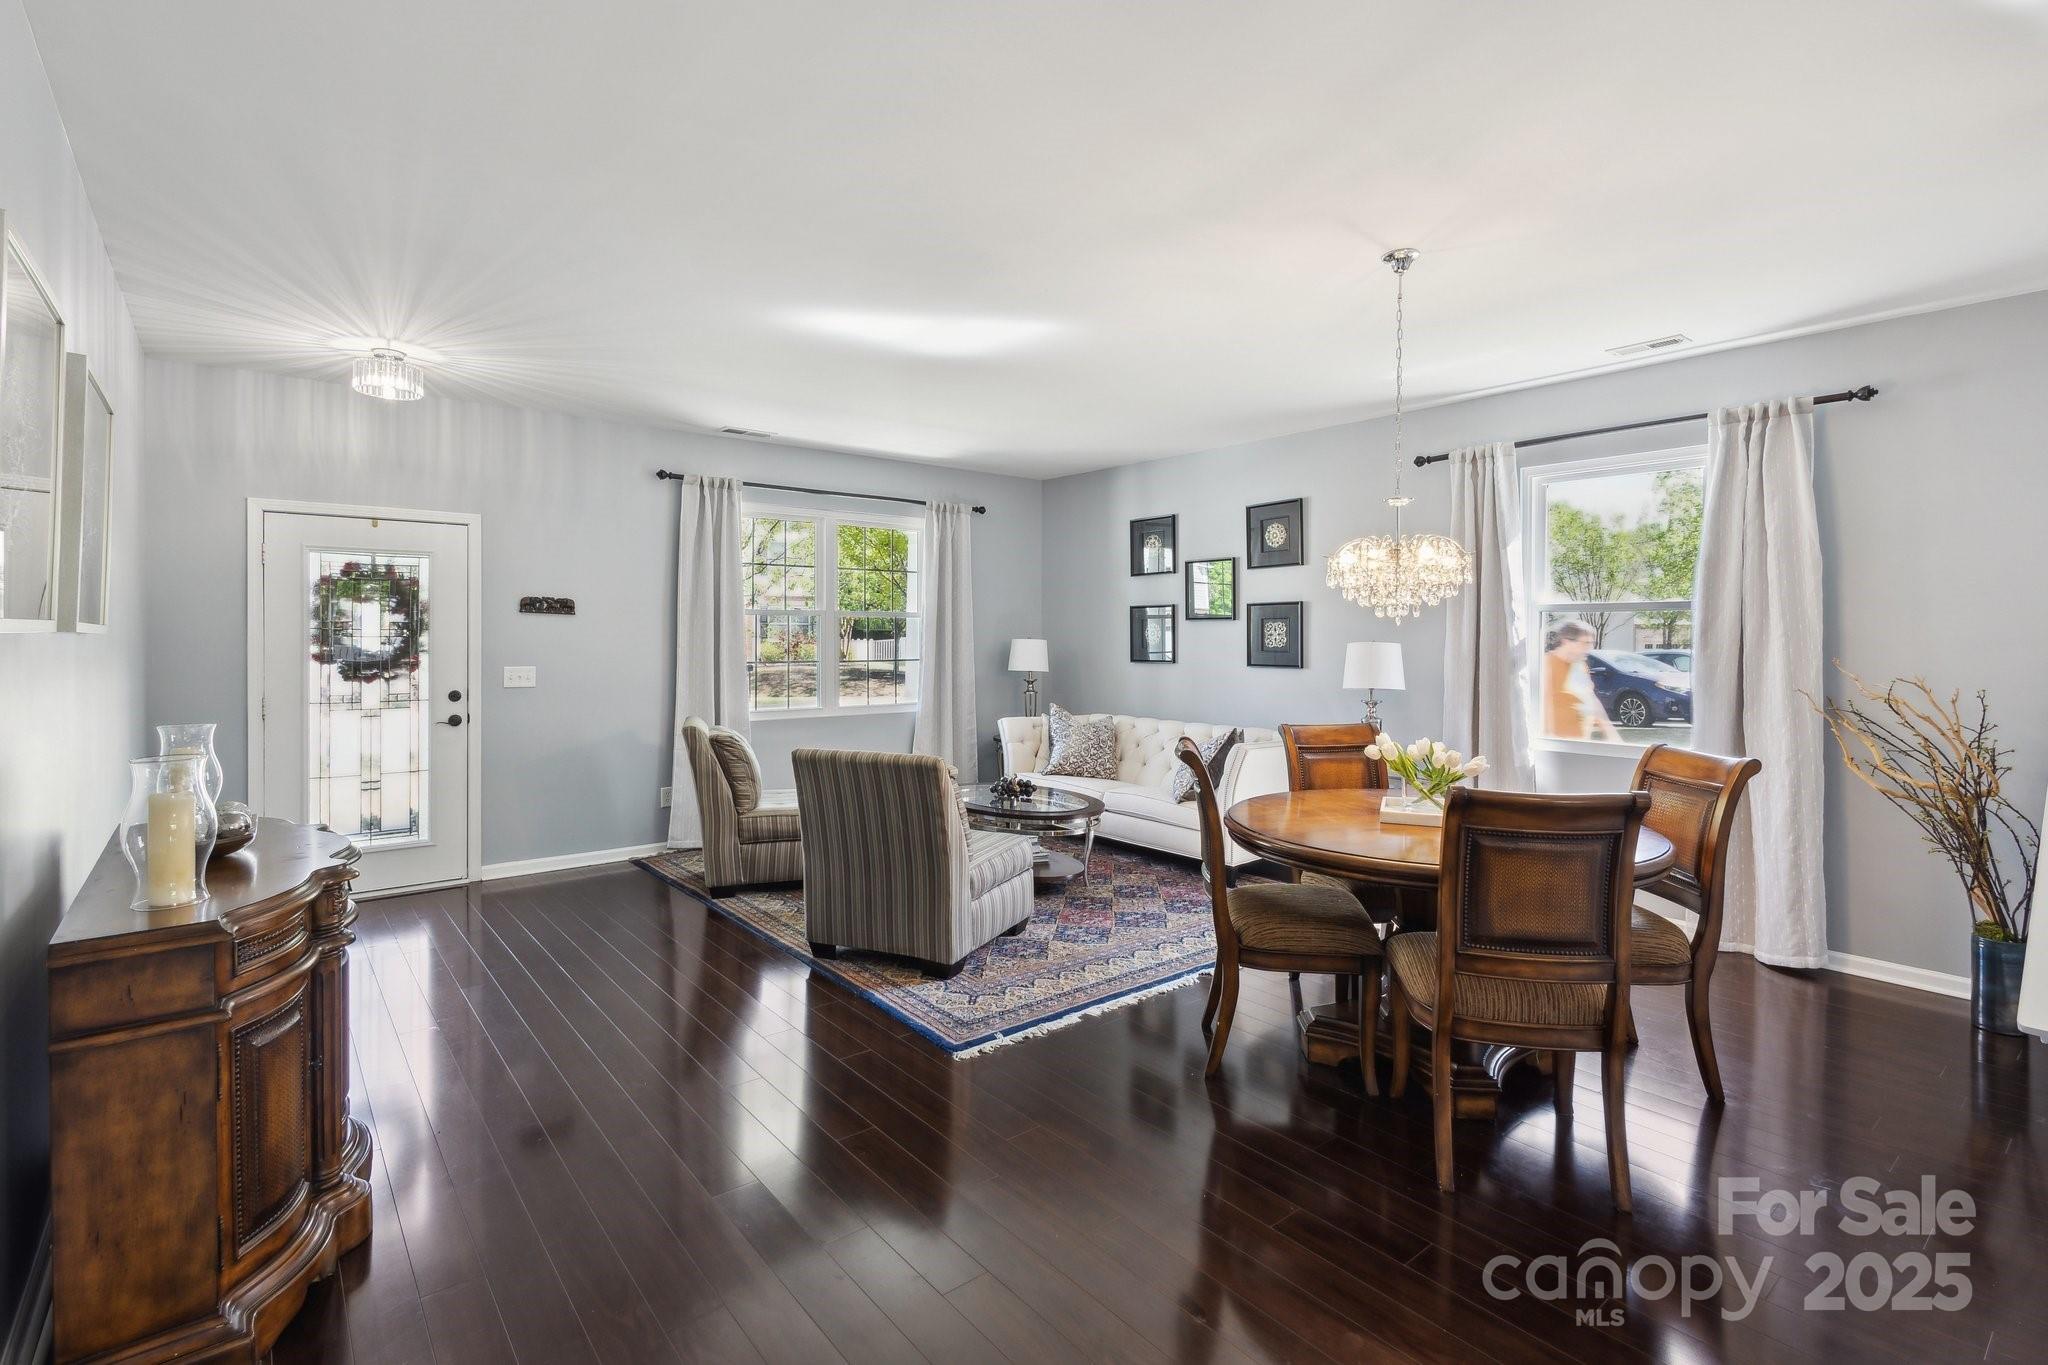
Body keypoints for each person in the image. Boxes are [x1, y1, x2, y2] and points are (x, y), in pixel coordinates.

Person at [1543, 620, 1620, 741]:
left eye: (1591, 643)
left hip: (1580, 744)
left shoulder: (1580, 665)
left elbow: (1591, 698)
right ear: (1566, 641)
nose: (1589, 648)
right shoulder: (1547, 664)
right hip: (1558, 746)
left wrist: (1611, 734)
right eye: (1585, 643)